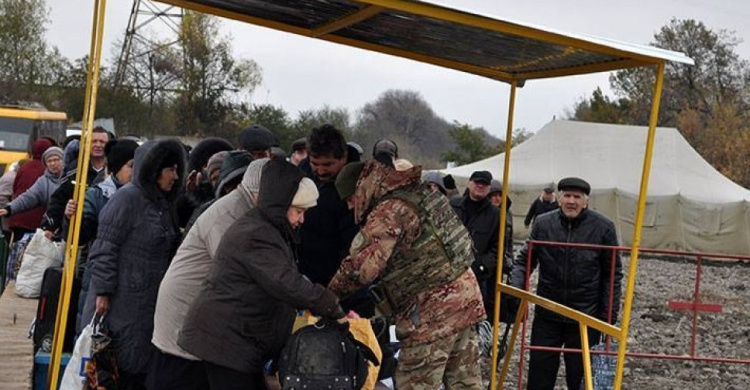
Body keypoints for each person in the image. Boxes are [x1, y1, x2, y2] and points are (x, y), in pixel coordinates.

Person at [178, 158, 345, 390]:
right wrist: (328, 304)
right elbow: (285, 282)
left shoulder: (268, 228)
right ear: (280, 205)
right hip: (225, 342)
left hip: (239, 342)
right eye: (298, 211)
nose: (301, 219)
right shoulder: (256, 234)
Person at [330, 160, 485, 390]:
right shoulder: (420, 192)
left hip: (433, 313)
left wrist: (327, 294)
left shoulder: (389, 210)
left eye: (350, 200)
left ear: (361, 188)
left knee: (414, 383)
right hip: (465, 301)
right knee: (466, 383)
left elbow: (361, 268)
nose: (351, 207)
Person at [150, 158, 269, 390]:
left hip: (197, 327)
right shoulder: (229, 215)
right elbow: (239, 274)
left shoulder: (245, 210)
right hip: (184, 330)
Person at [83, 138, 186, 390]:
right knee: (118, 367)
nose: (175, 176)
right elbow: (105, 247)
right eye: (169, 169)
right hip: (122, 301)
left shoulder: (162, 205)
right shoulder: (127, 199)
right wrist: (104, 292)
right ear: (154, 170)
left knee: (137, 367)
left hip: (146, 301)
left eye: (176, 169)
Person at [506, 177, 623, 390]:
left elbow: (612, 274)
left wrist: (608, 316)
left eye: (577, 197)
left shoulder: (603, 227)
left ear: (586, 201)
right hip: (547, 313)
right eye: (567, 196)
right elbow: (525, 260)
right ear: (559, 199)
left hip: (585, 317)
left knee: (580, 378)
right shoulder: (543, 223)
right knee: (540, 376)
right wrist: (516, 289)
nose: (571, 201)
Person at [296, 124, 365, 312]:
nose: (320, 171)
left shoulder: (357, 186)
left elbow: (354, 248)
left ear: (343, 157)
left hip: (342, 287)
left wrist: (338, 293)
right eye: (315, 164)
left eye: (327, 165)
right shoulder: (301, 174)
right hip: (305, 279)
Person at [451, 170, 506, 315]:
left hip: (476, 277)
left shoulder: (496, 215)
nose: (480, 186)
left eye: (484, 184)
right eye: (477, 182)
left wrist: (482, 267)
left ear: (489, 188)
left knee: (474, 318)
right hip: (448, 272)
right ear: (469, 184)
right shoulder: (454, 205)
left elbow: (498, 247)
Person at [41, 127, 110, 239]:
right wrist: (50, 226)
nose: (98, 145)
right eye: (94, 141)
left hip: (105, 231)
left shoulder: (115, 170)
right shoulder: (74, 170)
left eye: (102, 142)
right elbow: (59, 200)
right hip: (78, 232)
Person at [0, 147, 65, 222]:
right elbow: (28, 197)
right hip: (53, 224)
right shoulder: (43, 181)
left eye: (56, 160)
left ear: (63, 160)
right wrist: (9, 208)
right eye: (49, 161)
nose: (53, 163)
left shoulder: (70, 177)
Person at [6, 138, 52, 239]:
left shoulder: (24, 167)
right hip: (36, 221)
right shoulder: (47, 169)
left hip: (17, 217)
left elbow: (15, 188)